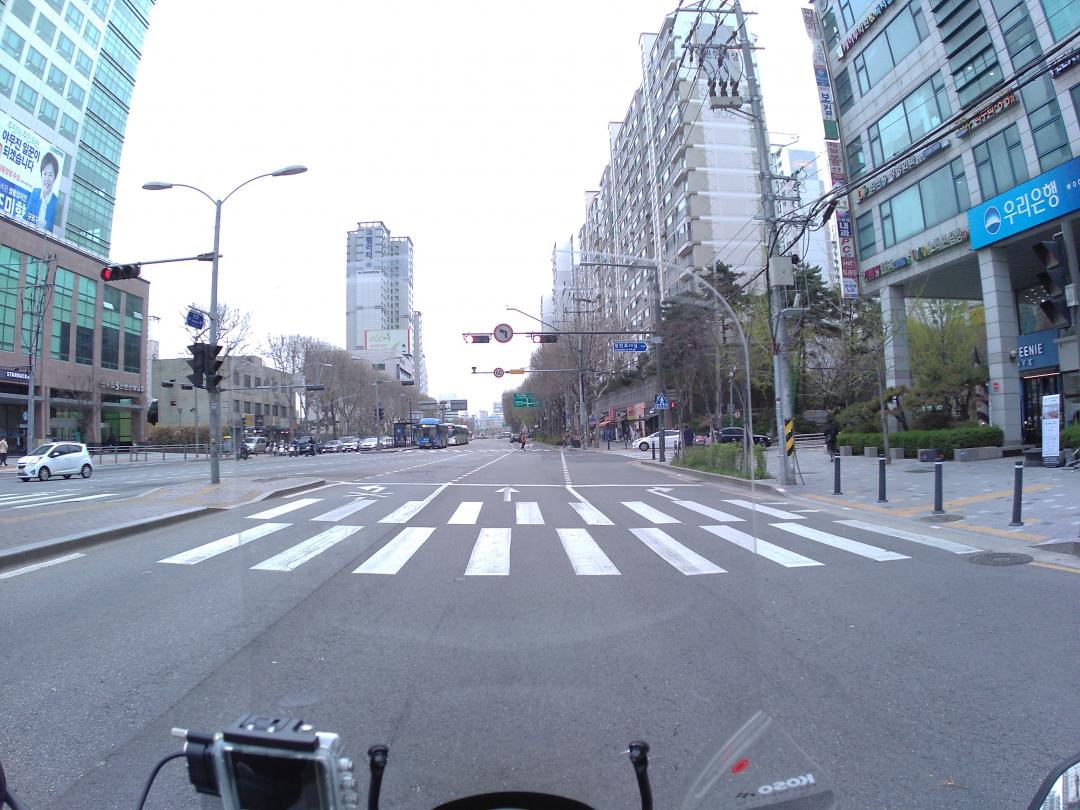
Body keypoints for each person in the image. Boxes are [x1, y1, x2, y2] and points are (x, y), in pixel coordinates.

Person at [24, 152, 60, 233]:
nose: (47, 178)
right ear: (41, 175)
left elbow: (53, 230)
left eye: (50, 175)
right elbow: (26, 217)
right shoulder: (35, 193)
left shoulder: (56, 203)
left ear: (55, 177)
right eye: (45, 174)